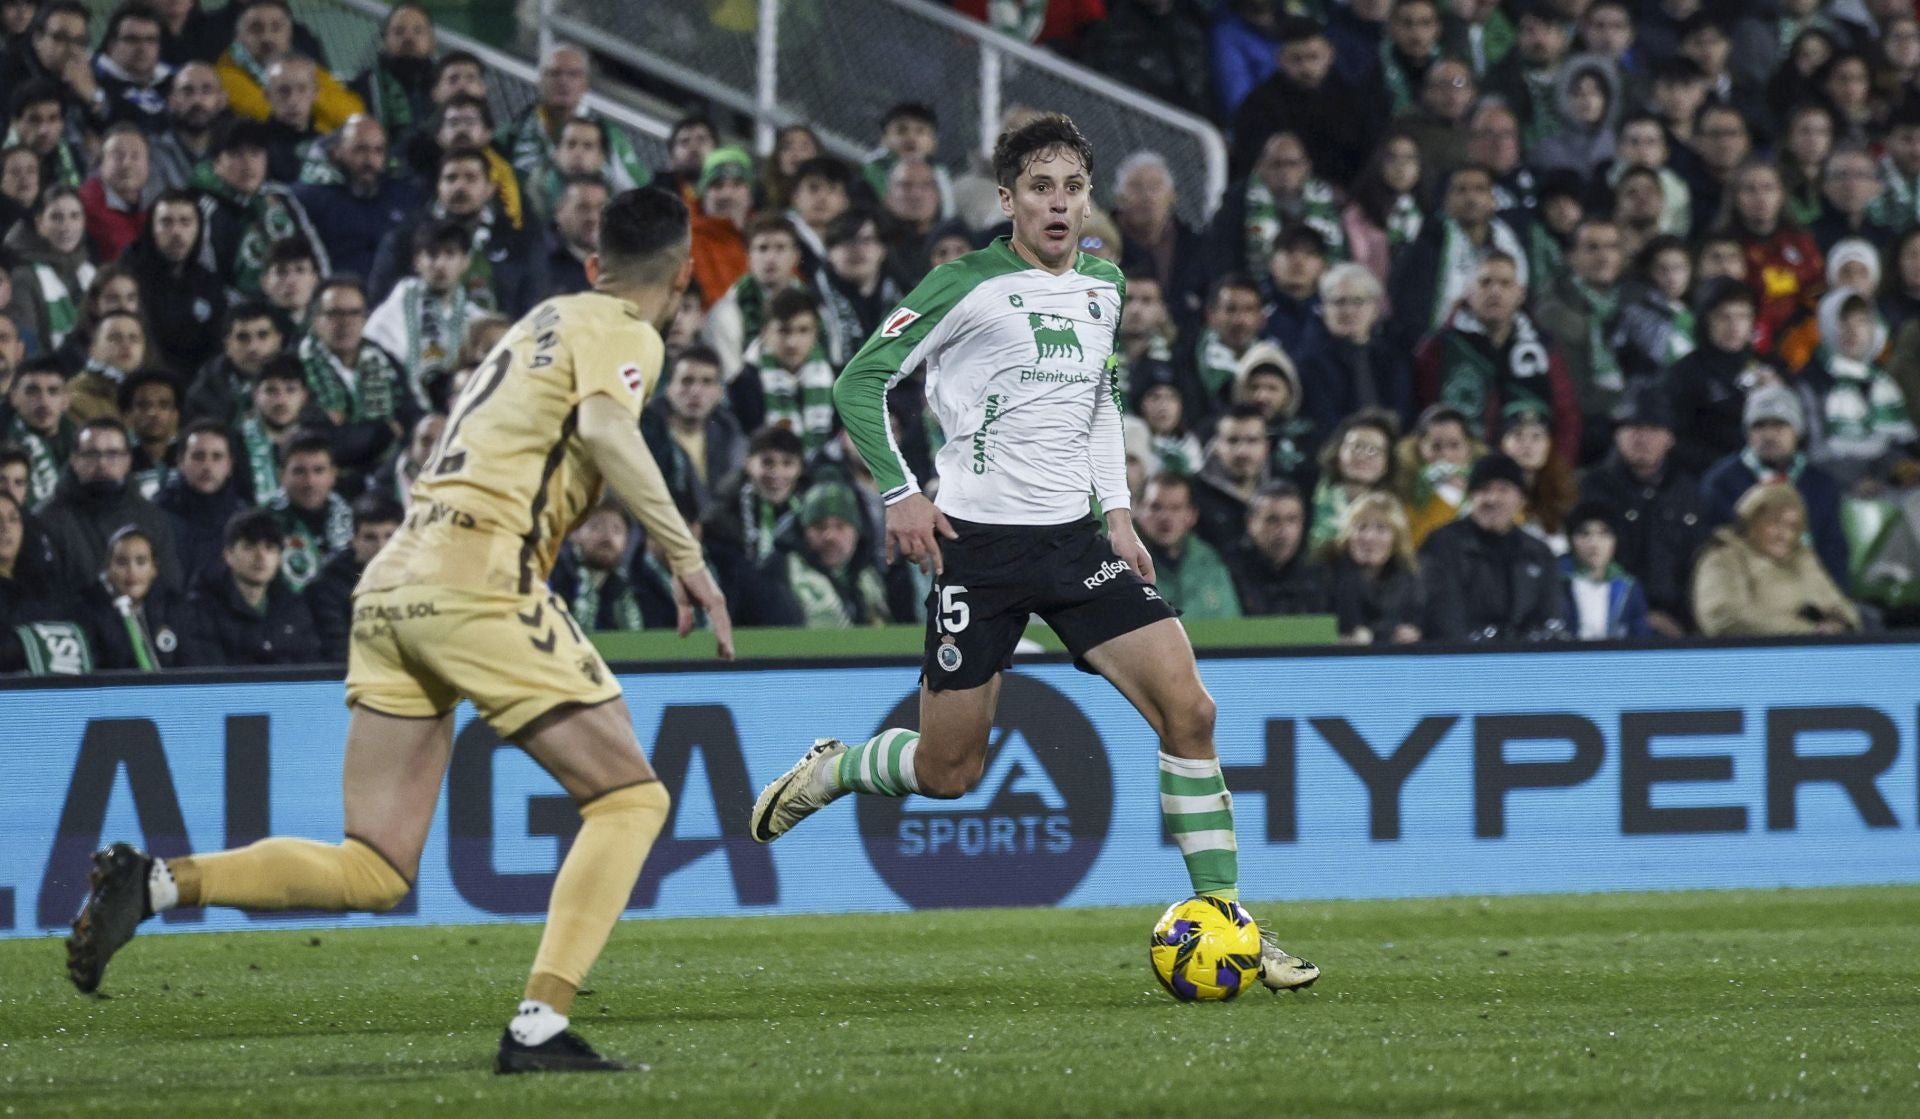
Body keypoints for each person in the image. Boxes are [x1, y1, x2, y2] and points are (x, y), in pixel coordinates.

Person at [67, 187, 736, 1075]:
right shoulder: (626, 327)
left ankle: (157, 881)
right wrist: (686, 557)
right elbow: (608, 425)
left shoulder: (539, 318)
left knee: (375, 865)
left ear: (590, 262)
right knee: (631, 799)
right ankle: (539, 1026)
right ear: (684, 276)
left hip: (393, 582)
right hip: (480, 574)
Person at [749, 114, 1319, 995]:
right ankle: (835, 768)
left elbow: (1098, 403)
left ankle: (1228, 919)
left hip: (1076, 543)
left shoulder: (1104, 284)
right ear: (1008, 199)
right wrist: (901, 492)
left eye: (1073, 187)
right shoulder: (963, 281)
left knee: (1191, 712)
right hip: (975, 549)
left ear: (1088, 198)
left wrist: (1120, 514)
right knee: (949, 772)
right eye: (1041, 189)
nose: (1059, 204)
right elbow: (860, 380)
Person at [1699, 385, 1849, 588]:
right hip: (1749, 593)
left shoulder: (1821, 484)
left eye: (1779, 425)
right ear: (1747, 432)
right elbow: (1718, 553)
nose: (1768, 435)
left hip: (1813, 592)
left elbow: (1833, 551)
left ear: (1797, 431)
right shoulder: (1721, 482)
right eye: (1759, 426)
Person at [1418, 451, 1568, 641]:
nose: (1492, 499)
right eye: (1483, 489)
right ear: (1471, 497)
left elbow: (1550, 617)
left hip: (1523, 663)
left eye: (1503, 489)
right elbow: (1443, 616)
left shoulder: (1538, 552)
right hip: (1461, 661)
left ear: (1521, 499)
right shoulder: (1442, 544)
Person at [36, 416, 180, 596]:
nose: (102, 463)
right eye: (91, 454)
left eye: (112, 454)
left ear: (128, 460)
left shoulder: (152, 518)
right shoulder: (47, 520)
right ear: (74, 460)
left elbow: (169, 587)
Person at [1693, 482, 1860, 637]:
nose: (1784, 535)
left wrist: (1843, 623)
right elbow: (1724, 616)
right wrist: (1807, 631)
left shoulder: (1802, 557)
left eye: (1793, 527)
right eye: (1774, 524)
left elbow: (1837, 603)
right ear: (1751, 521)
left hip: (1811, 650)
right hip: (1752, 656)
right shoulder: (1723, 557)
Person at [737, 480, 894, 628]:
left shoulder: (872, 577)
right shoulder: (776, 577)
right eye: (819, 526)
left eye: (840, 526)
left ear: (857, 532)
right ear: (803, 531)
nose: (830, 536)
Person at [290, 114, 420, 279]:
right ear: (336, 152)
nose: (370, 160)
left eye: (378, 151)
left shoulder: (402, 195)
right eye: (360, 149)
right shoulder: (307, 198)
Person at [364, 219, 475, 409]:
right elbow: (374, 353)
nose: (440, 264)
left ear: (465, 262)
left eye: (450, 254)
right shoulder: (398, 305)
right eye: (432, 254)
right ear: (417, 262)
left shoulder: (473, 314)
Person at [215, 0, 363, 133]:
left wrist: (308, 91)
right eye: (256, 29)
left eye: (276, 28)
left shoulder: (301, 67)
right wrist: (307, 93)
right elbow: (278, 120)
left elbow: (353, 113)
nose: (267, 37)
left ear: (289, 35)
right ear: (238, 36)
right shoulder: (223, 77)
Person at [123, 187, 227, 373]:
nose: (177, 232)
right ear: (151, 228)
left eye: (185, 222)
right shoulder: (128, 279)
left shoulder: (208, 282)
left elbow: (218, 346)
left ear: (199, 228)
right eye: (166, 222)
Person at [75, 523, 194, 670]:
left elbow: (192, 664)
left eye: (141, 561)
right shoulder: (88, 611)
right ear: (107, 568)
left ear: (154, 568)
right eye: (122, 562)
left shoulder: (173, 607)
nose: (132, 571)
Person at [701, 213, 805, 375]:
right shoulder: (726, 312)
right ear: (748, 256)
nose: (771, 258)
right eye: (762, 248)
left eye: (780, 248)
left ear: (796, 257)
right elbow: (731, 377)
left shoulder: (815, 305)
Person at [306, 490, 400, 661]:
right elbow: (338, 651)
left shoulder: (422, 577)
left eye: (390, 536)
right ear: (354, 540)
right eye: (370, 537)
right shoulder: (327, 588)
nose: (381, 547)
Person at [1319, 490, 1422, 645]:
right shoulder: (1325, 573)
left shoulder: (1411, 577)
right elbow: (1312, 631)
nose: (1369, 537)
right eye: (1362, 527)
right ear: (1348, 534)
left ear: (1396, 538)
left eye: (1381, 529)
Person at [153, 417, 246, 584]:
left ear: (230, 465)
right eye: (198, 456)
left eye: (217, 457)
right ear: (181, 462)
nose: (207, 466)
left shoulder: (244, 518)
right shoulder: (157, 513)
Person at [1225, 479, 1329, 617]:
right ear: (1251, 522)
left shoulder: (1317, 571)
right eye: (1272, 520)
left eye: (1292, 520)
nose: (1283, 532)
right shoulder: (1226, 571)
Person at [1559, 501, 1651, 640]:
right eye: (1584, 534)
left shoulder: (1628, 586)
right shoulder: (1557, 581)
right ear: (1571, 540)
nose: (1594, 543)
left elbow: (1640, 636)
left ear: (1616, 540)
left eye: (1604, 534)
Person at [184, 300, 283, 424]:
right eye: (243, 337)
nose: (253, 347)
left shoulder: (304, 378)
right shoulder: (204, 395)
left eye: (262, 335)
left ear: (278, 340)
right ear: (227, 345)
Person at [78, 123, 155, 263]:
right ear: (100, 164)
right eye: (117, 156)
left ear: (148, 164)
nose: (126, 164)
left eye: (135, 156)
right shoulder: (82, 206)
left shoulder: (157, 204)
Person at [4, 358, 75, 506]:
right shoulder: (4, 442)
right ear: (13, 397)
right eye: (32, 391)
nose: (43, 401)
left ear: (66, 400)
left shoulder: (85, 444)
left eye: (53, 392)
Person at [148, 60, 227, 190]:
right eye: (187, 91)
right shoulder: (153, 154)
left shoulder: (234, 153)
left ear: (221, 101)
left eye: (206, 91)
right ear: (172, 102)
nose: (197, 100)